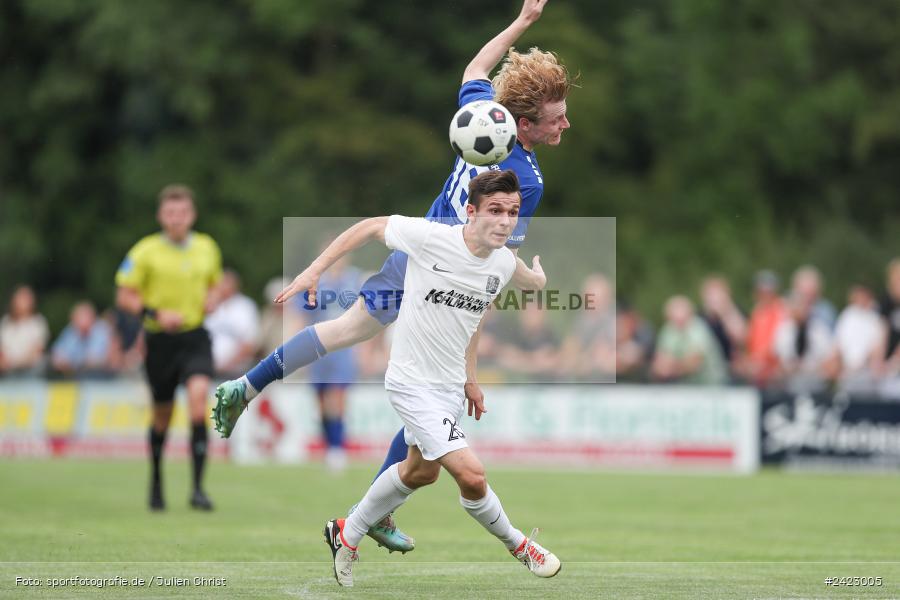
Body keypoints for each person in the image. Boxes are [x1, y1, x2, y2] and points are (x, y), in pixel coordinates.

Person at [213, 0, 566, 552]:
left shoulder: (485, 117)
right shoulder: (524, 180)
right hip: (443, 279)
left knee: (344, 332)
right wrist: (529, 284)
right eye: (556, 116)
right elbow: (490, 272)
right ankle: (372, 515)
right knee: (438, 391)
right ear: (525, 125)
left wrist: (520, 25)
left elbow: (475, 70)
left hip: (412, 254)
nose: (565, 122)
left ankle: (247, 384)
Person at [215, 170, 561, 586]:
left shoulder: (502, 262)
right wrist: (311, 272)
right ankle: (520, 545)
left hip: (448, 388)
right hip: (411, 383)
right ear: (470, 213)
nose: (505, 221)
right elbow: (371, 227)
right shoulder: (433, 238)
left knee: (420, 472)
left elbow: (494, 302)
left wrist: (471, 375)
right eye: (494, 211)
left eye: (512, 212)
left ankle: (348, 531)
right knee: (472, 475)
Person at [115, 184, 222, 511]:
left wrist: (212, 300)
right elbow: (124, 295)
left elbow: (215, 285)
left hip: (195, 337)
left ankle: (198, 489)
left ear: (192, 215)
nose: (177, 219)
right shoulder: (144, 251)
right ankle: (157, 482)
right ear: (161, 216)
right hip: (159, 341)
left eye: (183, 213)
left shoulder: (207, 247)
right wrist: (155, 313)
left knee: (197, 398)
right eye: (171, 213)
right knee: (162, 414)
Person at [651, 295, 727, 385]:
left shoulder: (699, 329)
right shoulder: (668, 330)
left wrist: (672, 366)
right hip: (686, 386)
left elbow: (695, 362)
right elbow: (660, 361)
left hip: (711, 385)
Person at [205, 270, 261, 378]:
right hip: (207, 370)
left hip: (236, 373)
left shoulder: (245, 307)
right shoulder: (209, 305)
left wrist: (227, 365)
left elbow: (250, 343)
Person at [50, 301, 115, 379]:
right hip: (76, 375)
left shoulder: (101, 330)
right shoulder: (70, 331)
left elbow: (94, 360)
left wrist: (71, 364)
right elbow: (57, 355)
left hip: (101, 376)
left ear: (92, 317)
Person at [0, 285, 49, 377]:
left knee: (41, 362)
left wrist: (20, 362)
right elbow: (2, 349)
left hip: (30, 367)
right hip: (8, 367)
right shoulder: (6, 322)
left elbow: (38, 349)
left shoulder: (38, 322)